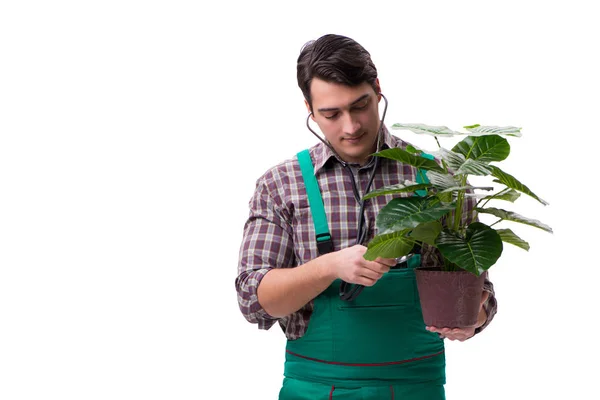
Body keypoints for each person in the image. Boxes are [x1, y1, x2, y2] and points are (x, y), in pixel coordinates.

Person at [235, 34, 497, 399]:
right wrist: (329, 267)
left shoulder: (440, 181)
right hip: (315, 389)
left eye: (360, 106)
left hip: (416, 388)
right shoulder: (281, 185)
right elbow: (253, 300)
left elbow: (478, 294)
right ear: (310, 109)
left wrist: (474, 318)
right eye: (331, 114)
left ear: (377, 90)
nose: (351, 126)